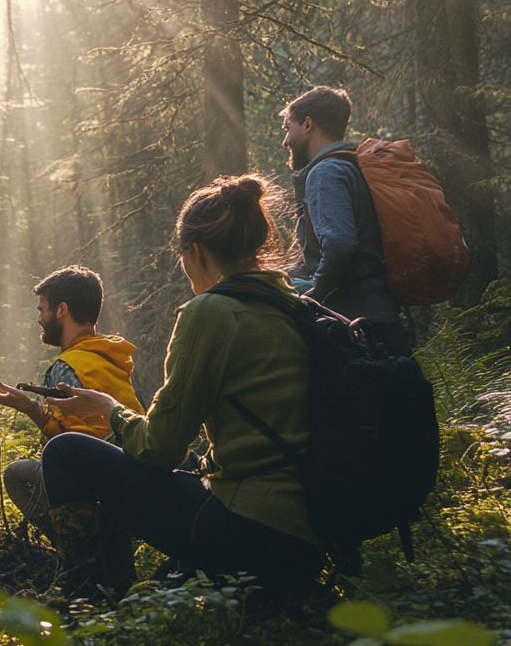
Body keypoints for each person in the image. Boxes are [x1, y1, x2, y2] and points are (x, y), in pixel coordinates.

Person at [40, 174, 324, 599]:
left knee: (65, 452)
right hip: (311, 535)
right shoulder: (295, 304)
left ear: (193, 250)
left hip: (248, 531)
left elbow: (160, 448)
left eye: (180, 253)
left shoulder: (211, 312)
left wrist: (109, 411)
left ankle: (90, 593)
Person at [0, 265, 144, 536]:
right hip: (138, 473)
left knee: (18, 474)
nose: (39, 319)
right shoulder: (113, 358)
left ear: (62, 310)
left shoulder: (65, 366)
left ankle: (77, 549)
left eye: (42, 309)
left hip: (103, 485)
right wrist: (28, 405)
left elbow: (66, 448)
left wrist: (32, 410)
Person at [282, 86, 411, 355]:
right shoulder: (353, 166)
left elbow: (340, 243)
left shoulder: (325, 173)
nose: (285, 141)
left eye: (287, 128)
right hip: (379, 316)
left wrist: (316, 292)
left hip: (355, 325)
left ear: (307, 125)